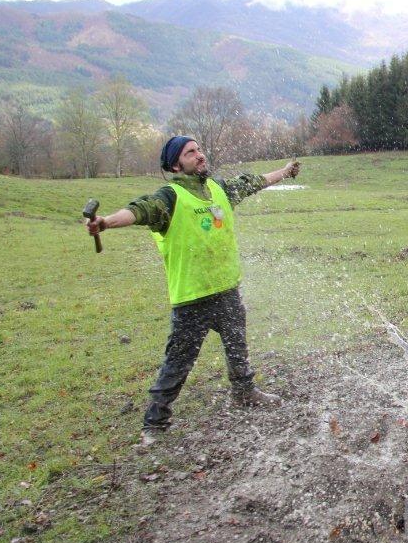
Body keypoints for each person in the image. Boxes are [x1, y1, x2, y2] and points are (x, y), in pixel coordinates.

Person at [84, 135, 301, 439]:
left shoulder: (218, 189)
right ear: (176, 164)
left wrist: (284, 171)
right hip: (192, 298)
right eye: (190, 152)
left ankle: (244, 391)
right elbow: (138, 210)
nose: (199, 155)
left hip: (226, 290)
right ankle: (155, 422)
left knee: (238, 347)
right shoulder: (169, 197)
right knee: (179, 361)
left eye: (199, 150)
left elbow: (255, 181)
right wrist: (106, 222)